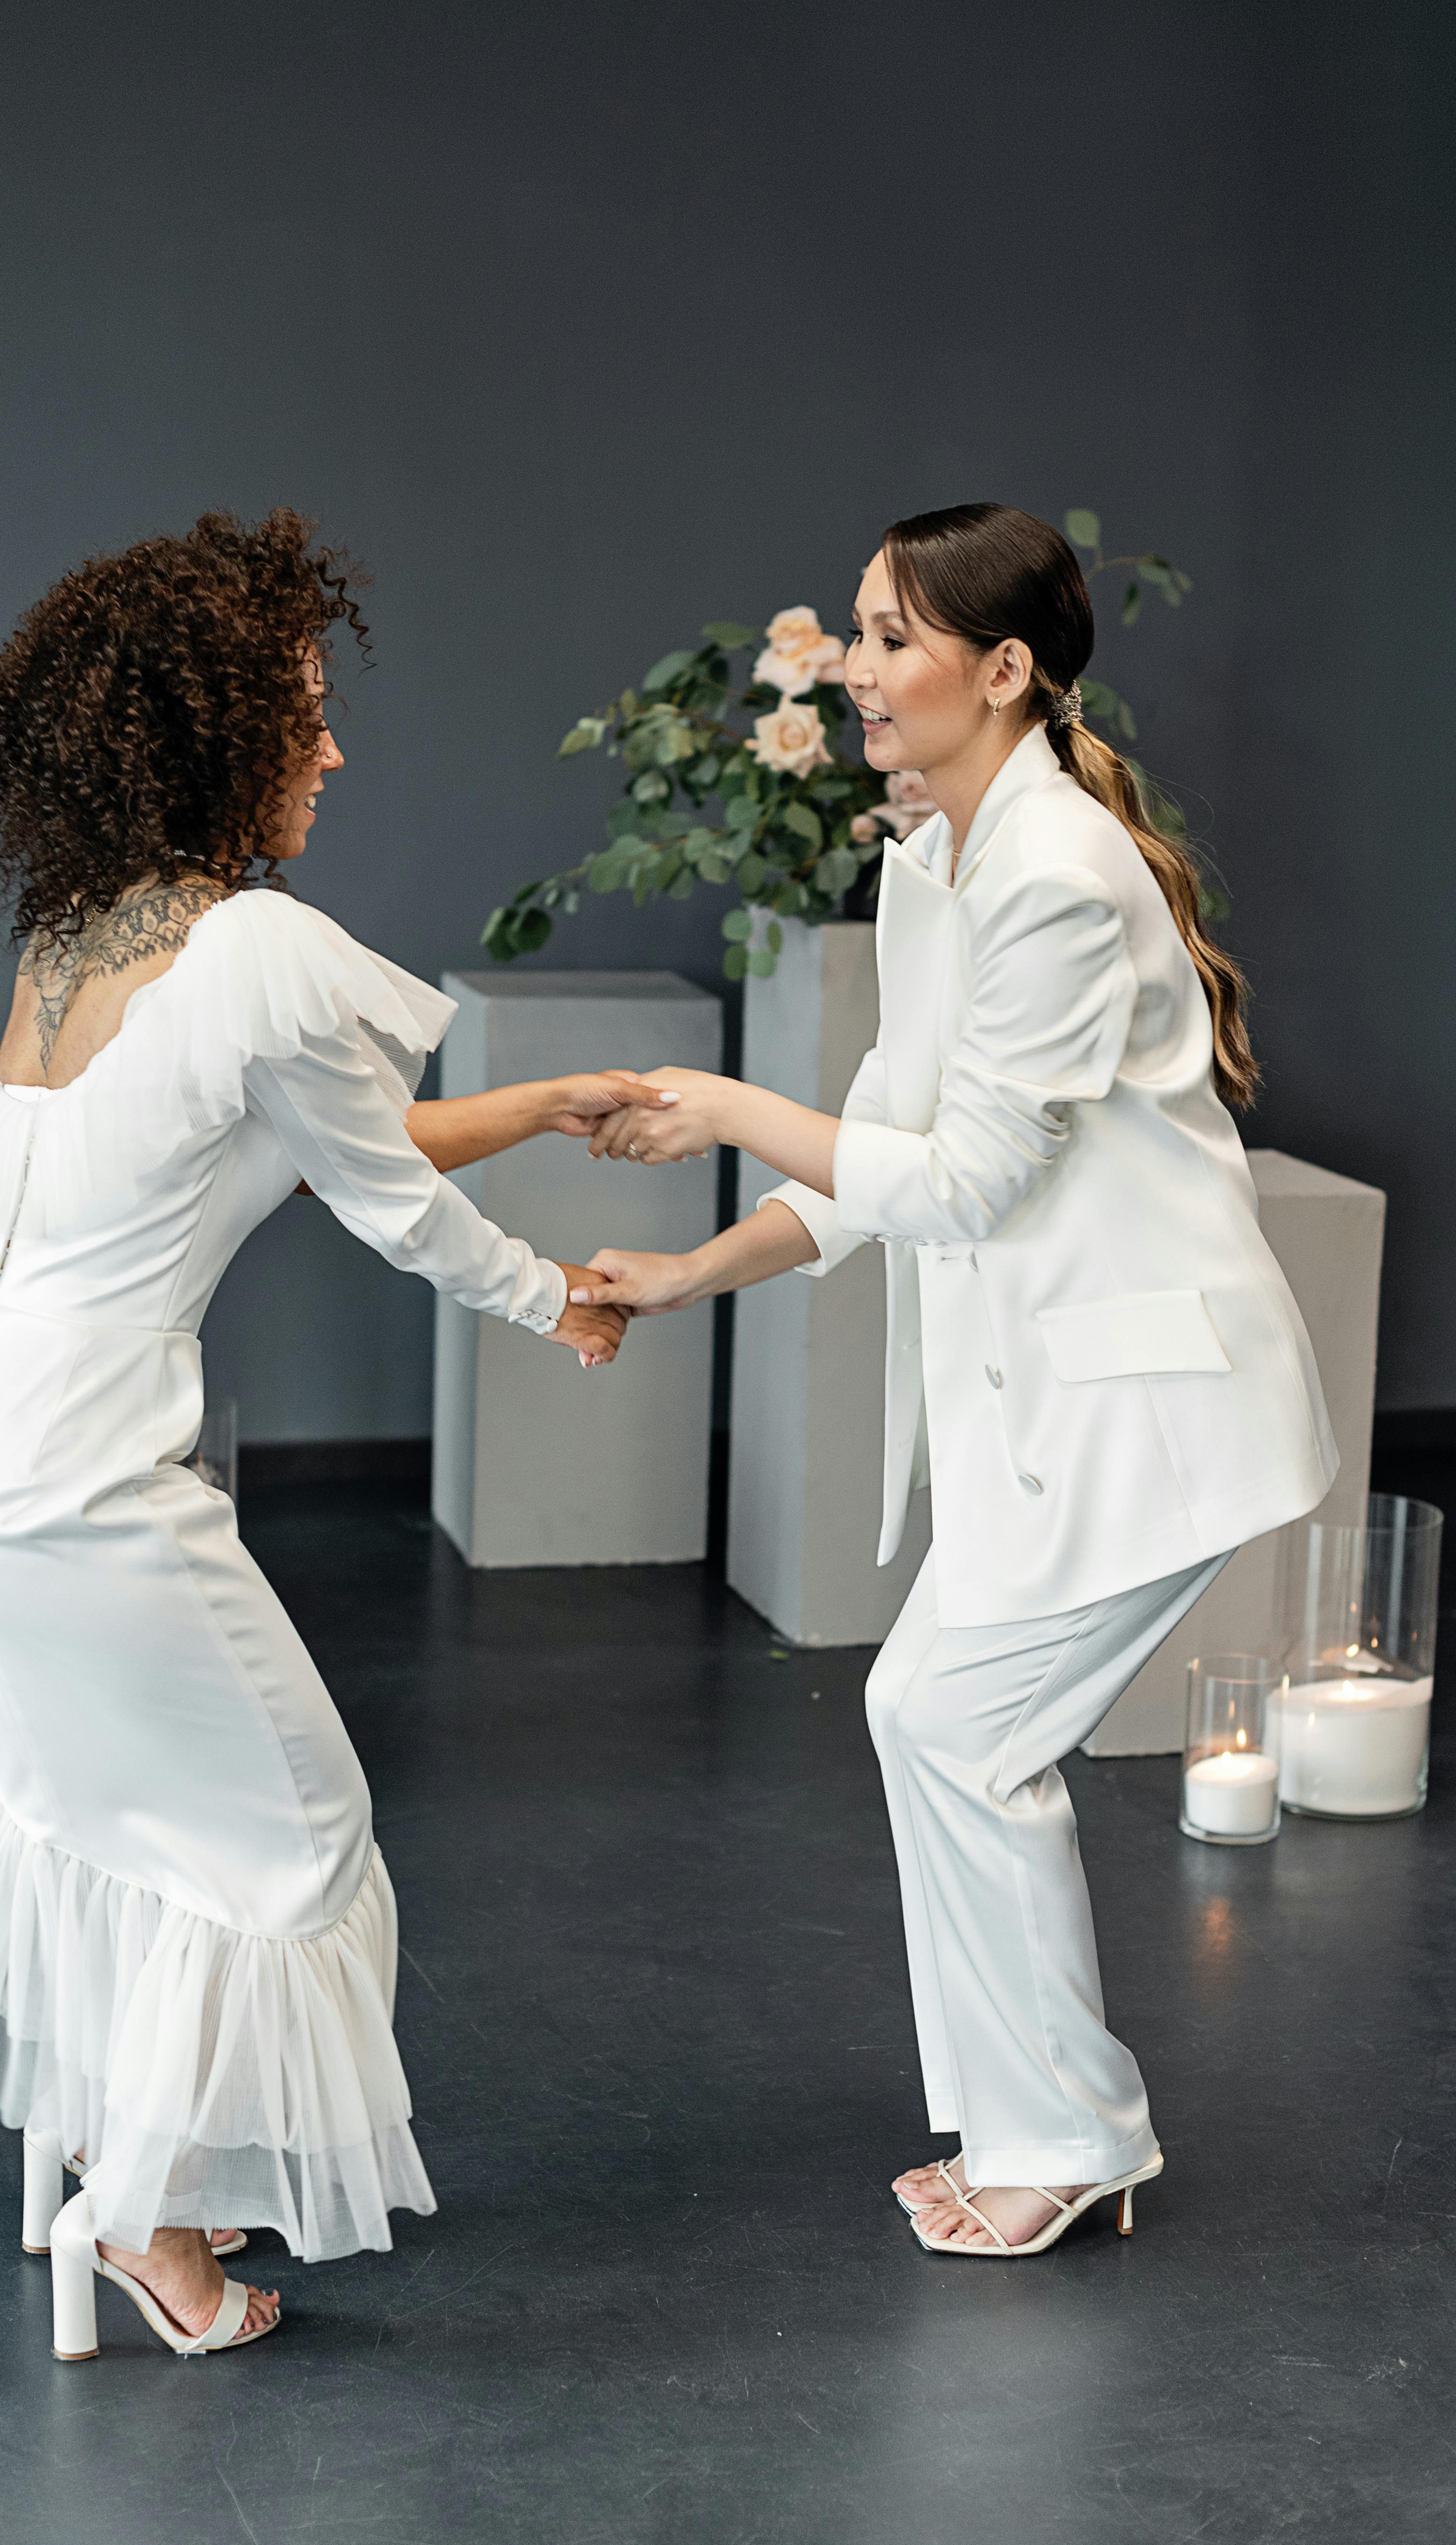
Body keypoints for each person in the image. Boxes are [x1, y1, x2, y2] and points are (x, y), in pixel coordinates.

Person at [0, 509, 664, 2358]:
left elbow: (300, 1140)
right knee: (294, 1829)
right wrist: (555, 1303)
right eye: (304, 717)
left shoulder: (85, 930)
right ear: (210, 737)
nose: (334, 751)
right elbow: (388, 1210)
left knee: (107, 1804)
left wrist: (537, 1108)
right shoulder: (262, 945)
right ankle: (156, 2231)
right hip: (78, 1481)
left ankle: (134, 2145)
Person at [572, 503, 1336, 2258]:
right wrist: (700, 1269)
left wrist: (726, 1103)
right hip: (1036, 1413)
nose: (854, 667)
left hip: (1157, 1411)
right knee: (939, 1725)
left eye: (891, 636)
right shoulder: (931, 861)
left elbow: (967, 1181)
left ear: (1003, 671)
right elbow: (891, 1145)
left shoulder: (1064, 877)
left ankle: (1062, 2136)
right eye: (853, 627)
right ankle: (1044, 2126)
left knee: (949, 1726)